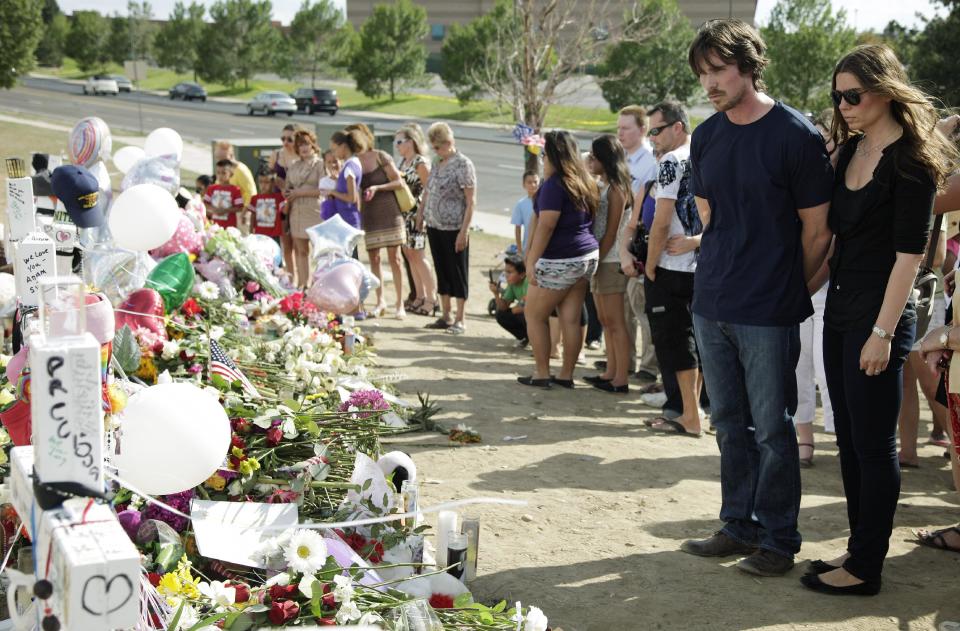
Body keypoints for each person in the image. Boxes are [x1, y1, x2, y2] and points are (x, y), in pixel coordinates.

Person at [680, 19, 833, 578]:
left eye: (718, 70)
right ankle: (736, 525)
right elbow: (712, 215)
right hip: (711, 300)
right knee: (728, 422)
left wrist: (792, 290)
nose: (710, 84)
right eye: (702, 74)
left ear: (748, 65)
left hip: (768, 310)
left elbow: (819, 233)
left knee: (773, 428)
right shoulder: (707, 134)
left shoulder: (796, 135)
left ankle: (778, 539)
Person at [802, 44, 957, 596]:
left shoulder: (912, 161)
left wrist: (883, 335)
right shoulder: (849, 152)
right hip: (841, 309)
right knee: (848, 438)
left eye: (854, 95)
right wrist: (804, 291)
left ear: (885, 91)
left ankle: (867, 567)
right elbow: (836, 242)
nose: (843, 105)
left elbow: (908, 258)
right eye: (837, 96)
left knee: (875, 444)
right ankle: (858, 544)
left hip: (882, 317)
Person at [640, 101, 704, 433]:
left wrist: (650, 266)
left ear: (677, 127)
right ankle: (694, 413)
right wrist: (699, 241)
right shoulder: (708, 154)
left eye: (656, 130)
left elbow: (661, 223)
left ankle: (689, 416)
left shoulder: (670, 161)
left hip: (672, 267)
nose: (652, 138)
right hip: (703, 265)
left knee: (676, 344)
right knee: (697, 341)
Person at [518, 130, 599, 389]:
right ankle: (566, 376)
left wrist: (531, 260)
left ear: (552, 155)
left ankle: (542, 373)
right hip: (585, 256)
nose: (542, 159)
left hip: (560, 258)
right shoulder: (584, 181)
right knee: (571, 318)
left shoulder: (554, 185)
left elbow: (547, 224)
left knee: (534, 315)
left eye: (544, 154)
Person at [794, 111, 837, 468]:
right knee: (799, 364)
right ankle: (803, 438)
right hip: (797, 285)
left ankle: (843, 440)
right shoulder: (800, 175)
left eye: (826, 137)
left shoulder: (848, 176)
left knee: (827, 367)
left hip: (828, 287)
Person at [582, 135, 631, 393]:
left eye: (593, 156)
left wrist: (595, 260)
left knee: (614, 322)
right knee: (603, 318)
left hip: (611, 259)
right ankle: (610, 371)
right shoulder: (604, 185)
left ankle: (620, 377)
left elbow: (611, 232)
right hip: (602, 258)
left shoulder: (617, 188)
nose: (590, 160)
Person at [419, 122, 477, 335]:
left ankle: (461, 318)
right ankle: (446, 314)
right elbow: (429, 190)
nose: (435, 151)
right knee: (442, 269)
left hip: (455, 227)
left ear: (449, 143)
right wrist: (421, 213)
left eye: (438, 147)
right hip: (435, 225)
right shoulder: (437, 162)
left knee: (457, 271)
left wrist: (464, 231)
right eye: (433, 147)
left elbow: (471, 201)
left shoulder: (463, 164)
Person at [617, 105, 659, 380]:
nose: (620, 134)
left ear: (642, 130)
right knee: (624, 308)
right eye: (618, 128)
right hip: (621, 241)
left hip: (640, 241)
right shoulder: (621, 159)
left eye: (626, 128)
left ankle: (648, 366)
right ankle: (626, 360)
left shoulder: (650, 163)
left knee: (645, 311)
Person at [349, 123, 407, 319]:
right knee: (374, 258)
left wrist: (377, 188)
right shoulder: (353, 160)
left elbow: (399, 181)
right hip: (370, 214)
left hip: (390, 212)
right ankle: (380, 300)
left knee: (395, 258)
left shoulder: (381, 156)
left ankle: (399, 303)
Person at [395, 123, 438, 317]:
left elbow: (429, 189)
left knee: (419, 255)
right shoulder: (403, 162)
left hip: (417, 214)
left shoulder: (420, 162)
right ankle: (419, 295)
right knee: (409, 254)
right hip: (404, 214)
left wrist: (422, 213)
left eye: (400, 141)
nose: (397, 145)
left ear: (411, 141)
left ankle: (431, 298)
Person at [284, 129, 324, 289]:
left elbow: (324, 189)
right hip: (296, 211)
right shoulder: (293, 166)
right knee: (301, 250)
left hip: (315, 211)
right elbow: (288, 187)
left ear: (313, 144)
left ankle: (320, 284)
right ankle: (303, 284)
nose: (304, 147)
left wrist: (300, 192)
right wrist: (288, 194)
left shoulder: (320, 164)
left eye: (306, 143)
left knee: (320, 252)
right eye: (300, 145)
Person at [270, 124, 300, 272]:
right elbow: (268, 176)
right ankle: (291, 276)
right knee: (286, 243)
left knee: (299, 243)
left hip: (297, 201)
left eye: (290, 139)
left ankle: (302, 276)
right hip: (279, 202)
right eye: (283, 139)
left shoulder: (302, 156)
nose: (285, 143)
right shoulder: (277, 154)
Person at [326, 130, 364, 250]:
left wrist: (333, 192)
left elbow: (351, 198)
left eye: (334, 149)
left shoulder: (349, 167)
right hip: (347, 219)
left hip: (348, 220)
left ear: (343, 146)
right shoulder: (352, 163)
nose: (333, 153)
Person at [214, 141, 256, 232]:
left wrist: (245, 212)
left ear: (231, 155)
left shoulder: (241, 170)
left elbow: (251, 193)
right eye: (218, 158)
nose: (220, 161)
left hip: (240, 213)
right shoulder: (222, 169)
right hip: (225, 214)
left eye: (223, 158)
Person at [491, 256, 529, 346]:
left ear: (522, 274)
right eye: (505, 271)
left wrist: (514, 310)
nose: (506, 275)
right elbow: (503, 307)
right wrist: (496, 293)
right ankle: (525, 337)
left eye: (510, 272)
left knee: (523, 315)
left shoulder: (528, 281)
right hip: (528, 313)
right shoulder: (512, 284)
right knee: (501, 315)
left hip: (541, 315)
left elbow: (528, 305)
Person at [203, 160, 245, 229]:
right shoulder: (211, 188)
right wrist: (214, 209)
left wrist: (225, 210)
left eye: (224, 173)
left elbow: (240, 208)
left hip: (229, 227)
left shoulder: (235, 190)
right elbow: (205, 203)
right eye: (218, 173)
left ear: (231, 174)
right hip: (213, 226)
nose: (220, 176)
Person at [246, 170, 285, 243]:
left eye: (266, 182)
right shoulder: (254, 199)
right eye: (260, 182)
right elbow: (252, 216)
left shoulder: (279, 198)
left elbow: (284, 215)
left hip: (274, 234)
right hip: (259, 234)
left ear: (273, 183)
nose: (263, 185)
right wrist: (251, 232)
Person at [511, 171, 541, 255]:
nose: (533, 185)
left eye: (535, 182)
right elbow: (518, 228)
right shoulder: (521, 204)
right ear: (524, 185)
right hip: (528, 249)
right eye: (529, 182)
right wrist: (520, 250)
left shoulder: (545, 202)